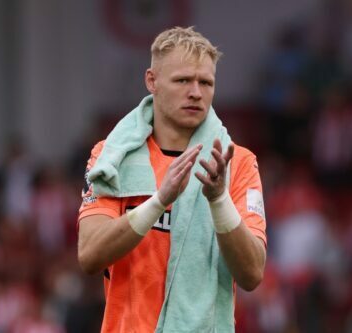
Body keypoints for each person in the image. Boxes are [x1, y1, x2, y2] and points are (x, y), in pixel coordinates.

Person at [77, 26, 267, 332]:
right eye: (182, 80)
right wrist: (159, 202)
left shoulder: (237, 162)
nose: (196, 92)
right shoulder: (111, 158)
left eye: (206, 82)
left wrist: (219, 200)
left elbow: (252, 274)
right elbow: (89, 256)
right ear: (152, 81)